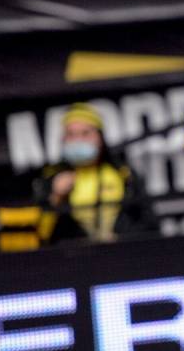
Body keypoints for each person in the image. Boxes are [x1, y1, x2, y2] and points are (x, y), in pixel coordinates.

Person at [32, 102, 156, 245]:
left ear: (100, 137)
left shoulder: (123, 174)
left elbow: (149, 223)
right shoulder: (50, 177)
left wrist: (122, 240)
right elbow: (39, 236)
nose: (78, 140)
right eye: (71, 134)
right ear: (63, 139)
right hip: (73, 256)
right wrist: (56, 198)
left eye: (85, 133)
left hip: (123, 253)